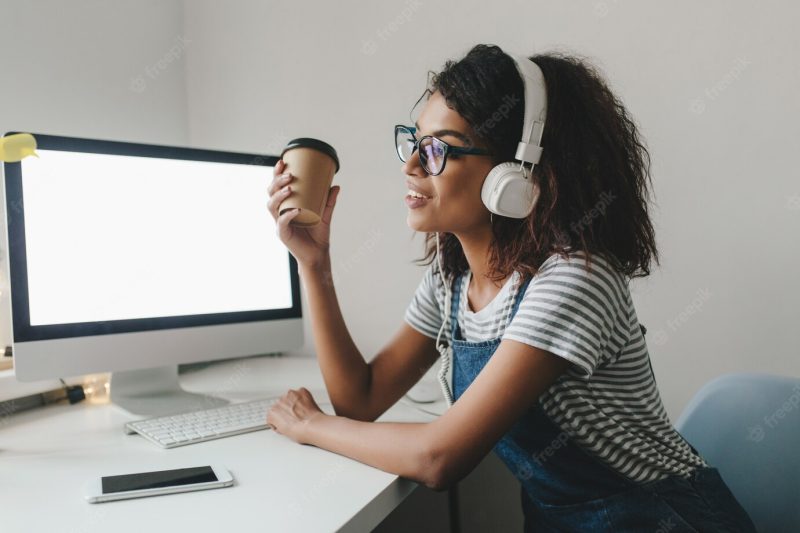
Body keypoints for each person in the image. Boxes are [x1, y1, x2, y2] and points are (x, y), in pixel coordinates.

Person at [265, 44, 756, 532]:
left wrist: (311, 425)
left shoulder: (574, 279)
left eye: (438, 149)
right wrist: (314, 262)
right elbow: (362, 398)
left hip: (661, 519)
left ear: (514, 172)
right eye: (413, 142)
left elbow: (439, 459)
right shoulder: (451, 278)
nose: (410, 166)